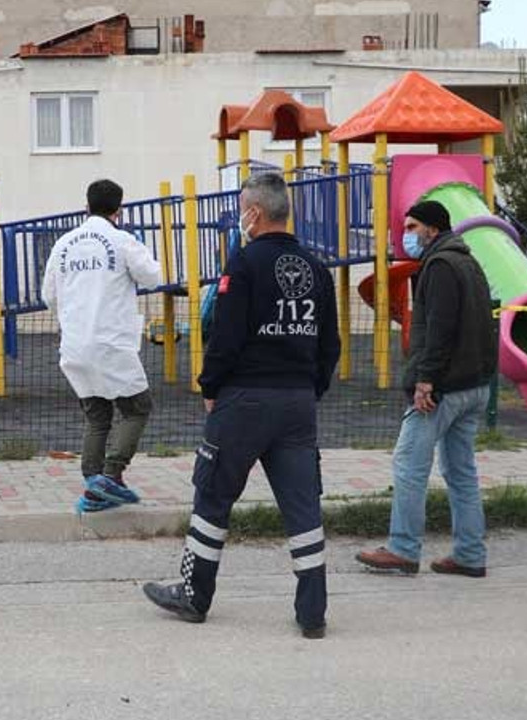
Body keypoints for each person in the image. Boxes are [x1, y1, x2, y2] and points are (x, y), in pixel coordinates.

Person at [141, 172, 340, 639]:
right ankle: (313, 611)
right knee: (302, 506)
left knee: (213, 495)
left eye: (240, 208)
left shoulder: (244, 264)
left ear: (253, 211)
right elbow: (329, 344)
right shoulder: (316, 268)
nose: (239, 216)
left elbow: (225, 338)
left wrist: (210, 385)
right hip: (297, 403)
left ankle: (194, 594)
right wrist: (310, 389)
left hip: (245, 400)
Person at [355, 200, 497, 578]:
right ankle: (469, 554)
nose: (407, 235)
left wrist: (425, 380)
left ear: (433, 229)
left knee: (408, 465)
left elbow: (439, 329)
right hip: (475, 384)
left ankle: (402, 548)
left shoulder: (439, 266)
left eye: (413, 227)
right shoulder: (467, 261)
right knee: (461, 471)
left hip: (444, 388)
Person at [41, 179, 163, 513]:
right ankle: (110, 474)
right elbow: (153, 276)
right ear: (118, 210)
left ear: (86, 206)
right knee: (137, 407)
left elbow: (48, 295)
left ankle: (95, 487)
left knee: (97, 417)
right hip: (110, 343)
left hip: (75, 344)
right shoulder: (121, 240)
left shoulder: (63, 243)